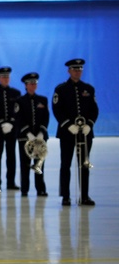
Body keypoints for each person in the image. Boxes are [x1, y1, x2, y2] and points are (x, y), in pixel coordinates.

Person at [52, 58, 98, 206]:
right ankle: (65, 196)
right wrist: (67, 125)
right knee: (65, 164)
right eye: (75, 69)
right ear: (69, 71)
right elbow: (57, 109)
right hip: (67, 133)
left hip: (84, 134)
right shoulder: (61, 89)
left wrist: (89, 125)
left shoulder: (89, 89)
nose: (77, 72)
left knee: (84, 164)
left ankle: (84, 196)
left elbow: (94, 109)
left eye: (79, 69)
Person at [13, 72, 49, 198]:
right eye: (30, 83)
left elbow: (46, 118)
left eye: (35, 83)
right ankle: (24, 189)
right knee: (25, 164)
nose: (33, 85)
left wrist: (41, 133)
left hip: (39, 139)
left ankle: (40, 188)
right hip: (25, 138)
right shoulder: (19, 101)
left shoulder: (43, 100)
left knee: (39, 164)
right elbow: (19, 118)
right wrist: (28, 133)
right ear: (26, 85)